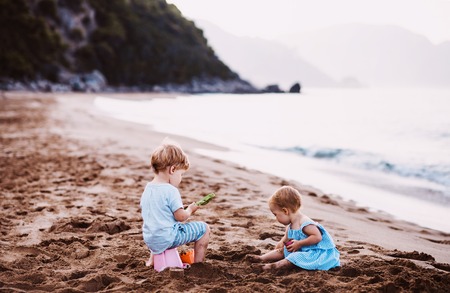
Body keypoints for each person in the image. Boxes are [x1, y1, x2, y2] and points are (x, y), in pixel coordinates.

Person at [140, 141, 210, 266]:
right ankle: (198, 265)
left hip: (150, 239)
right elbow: (181, 217)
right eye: (181, 174)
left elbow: (156, 214)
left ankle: (152, 260)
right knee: (204, 229)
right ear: (173, 169)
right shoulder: (171, 190)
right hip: (167, 238)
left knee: (157, 224)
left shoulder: (148, 188)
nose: (180, 178)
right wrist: (190, 210)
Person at [247, 186, 340, 271]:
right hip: (304, 251)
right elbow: (285, 241)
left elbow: (317, 237)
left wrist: (299, 243)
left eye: (276, 214)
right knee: (284, 250)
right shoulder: (290, 226)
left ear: (285, 211)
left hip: (317, 254)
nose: (276, 218)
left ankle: (269, 267)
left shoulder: (304, 223)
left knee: (294, 257)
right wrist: (280, 245)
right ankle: (262, 258)